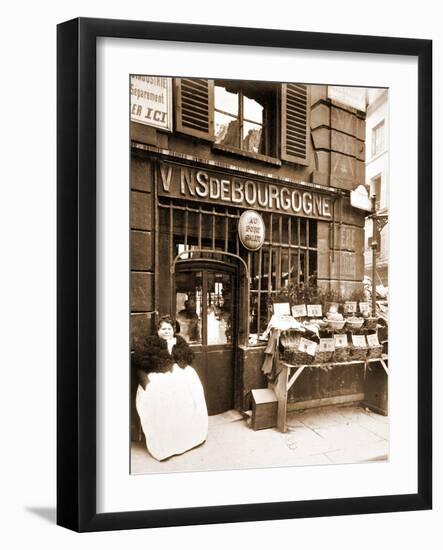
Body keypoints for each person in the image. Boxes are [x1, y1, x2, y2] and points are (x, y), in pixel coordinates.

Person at [132, 316, 208, 461]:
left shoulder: (179, 341)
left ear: (174, 330)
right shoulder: (149, 343)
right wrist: (147, 383)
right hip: (158, 376)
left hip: (180, 376)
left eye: (169, 329)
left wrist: (176, 358)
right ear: (158, 330)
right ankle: (166, 445)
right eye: (163, 329)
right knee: (162, 403)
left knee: (188, 400)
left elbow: (187, 358)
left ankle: (188, 438)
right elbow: (139, 363)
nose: (166, 332)